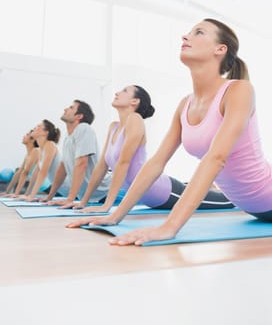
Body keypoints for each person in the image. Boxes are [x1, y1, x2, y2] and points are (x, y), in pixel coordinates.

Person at [69, 18, 272, 246]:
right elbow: (156, 163)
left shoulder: (238, 90)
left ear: (220, 49)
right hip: (256, 210)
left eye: (199, 32)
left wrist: (170, 226)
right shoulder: (185, 104)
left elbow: (216, 158)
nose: (185, 37)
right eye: (188, 32)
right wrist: (115, 215)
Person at [67, 84, 234, 227]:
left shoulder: (135, 119)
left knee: (228, 201)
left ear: (135, 101)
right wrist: (83, 201)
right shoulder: (114, 127)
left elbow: (123, 162)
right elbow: (102, 166)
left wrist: (107, 206)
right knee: (200, 190)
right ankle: (204, 185)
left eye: (124, 91)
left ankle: (220, 186)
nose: (117, 93)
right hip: (150, 198)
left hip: (163, 191)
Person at [44, 100, 111, 207]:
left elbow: (81, 164)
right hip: (92, 198)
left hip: (107, 193)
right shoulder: (68, 137)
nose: (65, 109)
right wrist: (49, 197)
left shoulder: (84, 128)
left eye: (71, 107)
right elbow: (63, 167)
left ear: (79, 116)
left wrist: (70, 199)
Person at [20, 120, 70, 201]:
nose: (34, 128)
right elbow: (35, 174)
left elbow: (43, 172)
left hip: (69, 188)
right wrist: (27, 195)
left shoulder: (50, 145)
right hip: (62, 191)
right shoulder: (40, 150)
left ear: (45, 132)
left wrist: (31, 196)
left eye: (38, 126)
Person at [0, 130, 40, 197]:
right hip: (40, 188)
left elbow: (25, 173)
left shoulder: (35, 151)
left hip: (49, 189)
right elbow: (18, 172)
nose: (24, 136)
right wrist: (7, 192)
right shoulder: (28, 154)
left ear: (32, 140)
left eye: (27, 134)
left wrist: (16, 194)